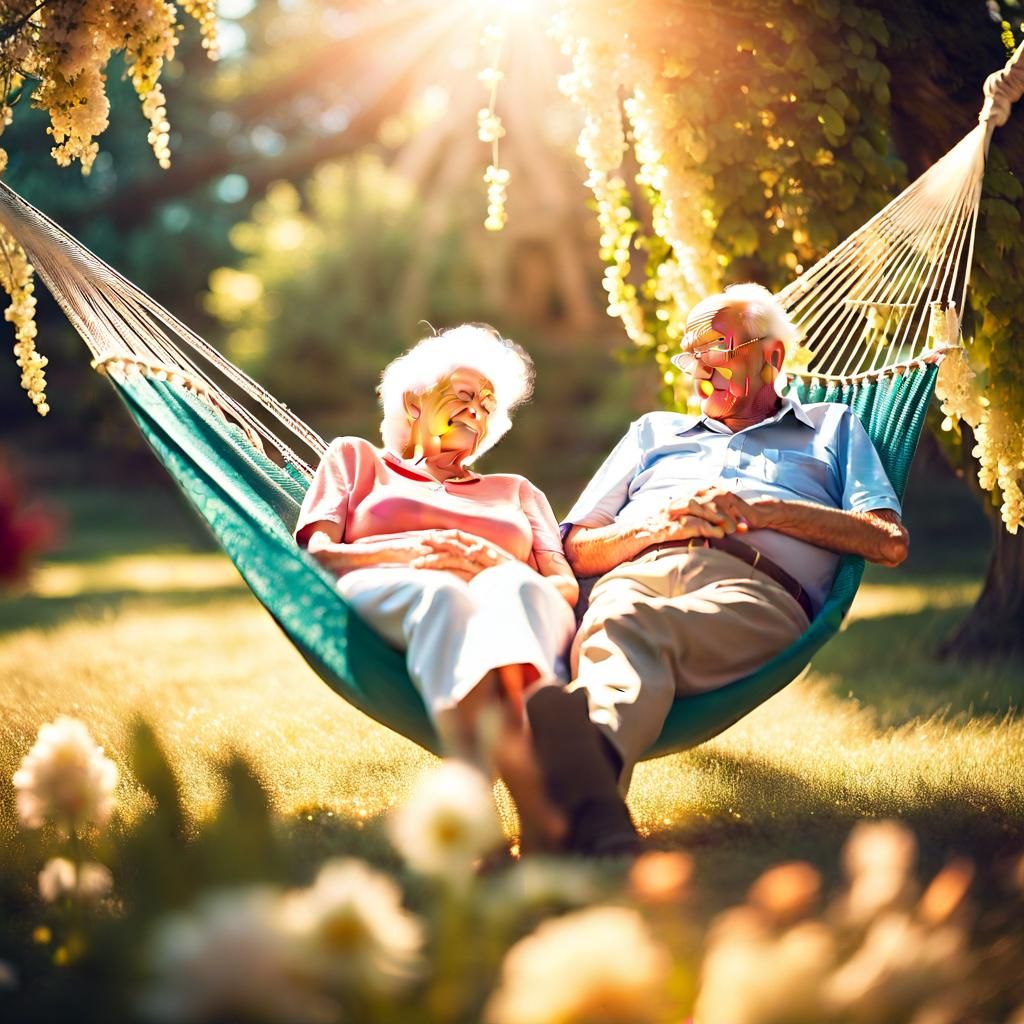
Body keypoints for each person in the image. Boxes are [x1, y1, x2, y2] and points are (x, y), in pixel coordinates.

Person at [530, 283, 909, 856]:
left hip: (754, 590)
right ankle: (594, 805)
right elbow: (575, 548)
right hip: (639, 571)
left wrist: (769, 511)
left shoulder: (832, 428)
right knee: (627, 612)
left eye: (719, 350)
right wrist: (657, 526)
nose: (702, 369)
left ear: (773, 357)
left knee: (637, 627)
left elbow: (887, 541)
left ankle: (577, 769)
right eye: (692, 355)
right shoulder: (652, 433)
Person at [294, 324, 578, 851]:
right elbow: (319, 554)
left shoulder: (517, 490)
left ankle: (490, 818)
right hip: (395, 585)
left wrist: (497, 563)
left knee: (509, 595)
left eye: (487, 404)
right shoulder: (358, 460)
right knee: (444, 596)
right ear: (414, 401)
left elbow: (561, 585)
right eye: (464, 395)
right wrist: (411, 553)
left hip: (511, 598)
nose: (476, 410)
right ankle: (525, 806)